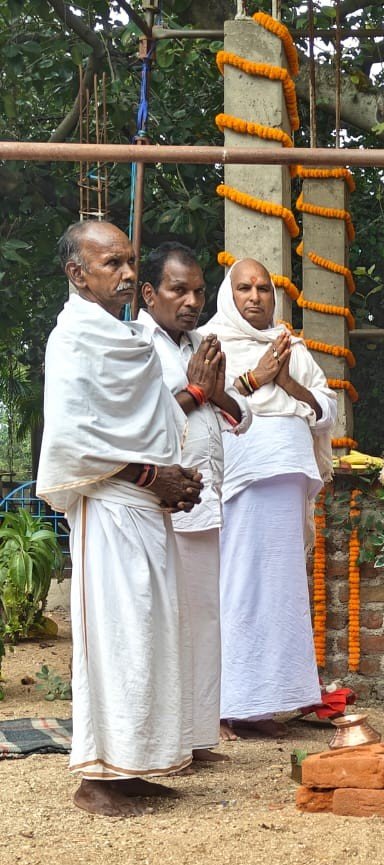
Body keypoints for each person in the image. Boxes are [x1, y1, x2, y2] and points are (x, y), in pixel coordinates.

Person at [37, 220, 203, 816]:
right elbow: (73, 441)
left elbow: (154, 422)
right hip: (109, 512)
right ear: (78, 274)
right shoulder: (74, 340)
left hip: (146, 509)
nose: (130, 274)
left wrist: (174, 480)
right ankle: (97, 779)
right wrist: (147, 477)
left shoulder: (127, 337)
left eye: (131, 261)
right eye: (114, 264)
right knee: (117, 641)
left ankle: (136, 765)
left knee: (152, 639)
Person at [200, 258, 337, 738]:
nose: (255, 297)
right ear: (228, 295)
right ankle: (229, 705)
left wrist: (285, 380)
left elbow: (326, 411)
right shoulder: (210, 343)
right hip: (241, 479)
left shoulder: (291, 347)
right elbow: (204, 403)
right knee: (240, 587)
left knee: (283, 594)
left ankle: (269, 704)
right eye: (244, 288)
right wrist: (257, 378)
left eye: (263, 288)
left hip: (289, 476)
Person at [138, 242, 252, 754]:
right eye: (177, 289)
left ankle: (200, 735)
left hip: (204, 504)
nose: (191, 301)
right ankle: (167, 739)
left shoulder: (204, 341)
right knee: (166, 624)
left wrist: (216, 390)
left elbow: (243, 417)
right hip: (158, 502)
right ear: (149, 293)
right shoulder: (135, 345)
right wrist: (198, 393)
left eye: (199, 291)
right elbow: (145, 418)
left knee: (205, 621)